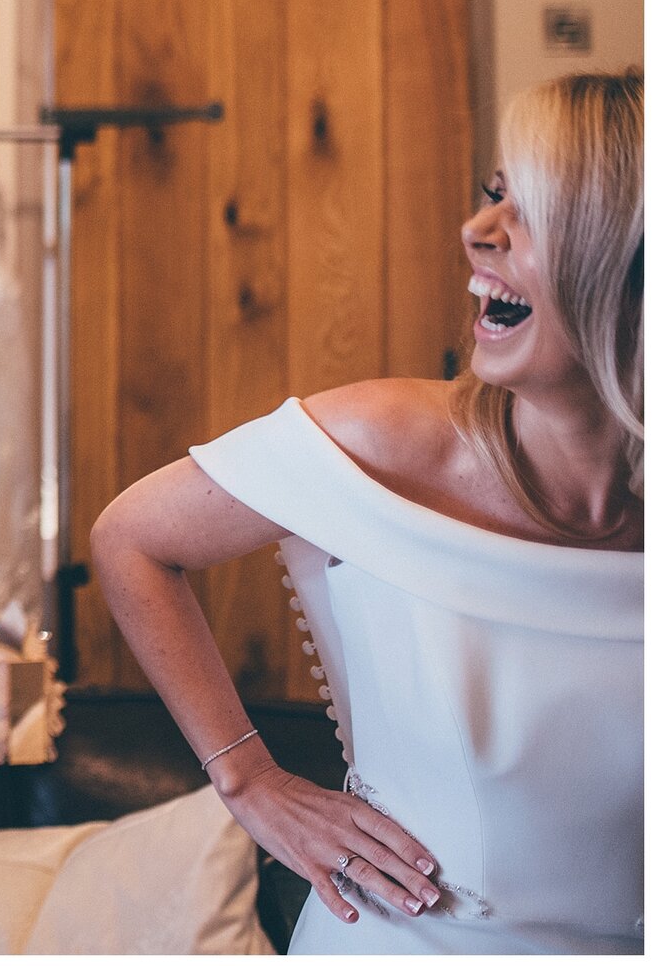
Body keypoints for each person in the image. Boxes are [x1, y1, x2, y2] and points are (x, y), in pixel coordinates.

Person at [93, 69, 643, 953]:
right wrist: (248, 781)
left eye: (532, 210)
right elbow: (130, 539)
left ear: (629, 261)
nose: (476, 232)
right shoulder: (383, 439)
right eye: (493, 195)